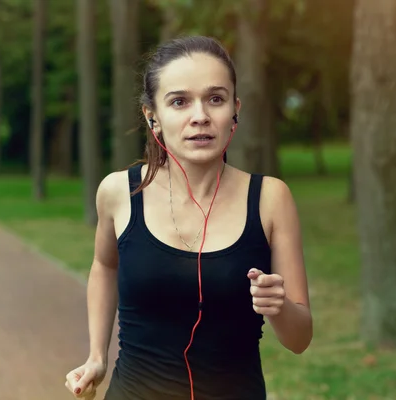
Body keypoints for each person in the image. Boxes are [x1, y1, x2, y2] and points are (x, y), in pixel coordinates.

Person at [64, 35, 313, 400]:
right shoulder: (119, 193)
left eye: (216, 99)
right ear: (153, 117)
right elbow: (105, 266)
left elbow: (300, 339)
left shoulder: (271, 199)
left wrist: (279, 308)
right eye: (179, 102)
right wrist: (97, 356)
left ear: (235, 110)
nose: (201, 117)